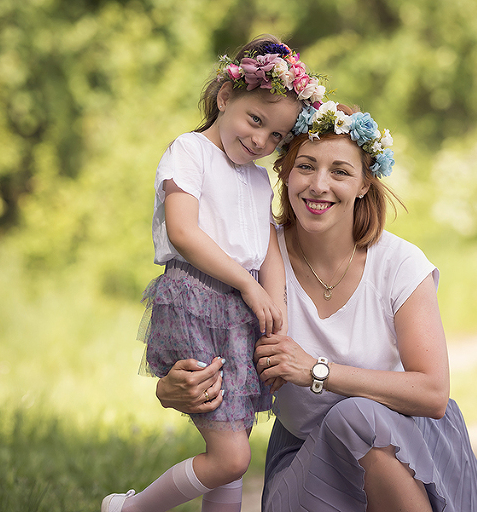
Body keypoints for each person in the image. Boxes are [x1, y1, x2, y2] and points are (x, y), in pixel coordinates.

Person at [155, 101, 477, 511]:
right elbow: (212, 354)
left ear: (363, 184)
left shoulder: (398, 265)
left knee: (357, 417)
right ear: (284, 174)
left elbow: (432, 393)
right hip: (307, 457)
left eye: (340, 171)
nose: (318, 185)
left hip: (411, 451)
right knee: (349, 421)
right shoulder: (255, 267)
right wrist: (171, 390)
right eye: (305, 166)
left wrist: (318, 371)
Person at [101, 36, 326, 512]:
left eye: (277, 138)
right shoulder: (189, 152)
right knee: (230, 456)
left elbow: (267, 249)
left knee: (234, 448)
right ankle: (130, 509)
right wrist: (246, 284)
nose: (261, 141)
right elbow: (184, 232)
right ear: (226, 98)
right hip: (196, 298)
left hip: (241, 312)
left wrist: (274, 302)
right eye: (255, 120)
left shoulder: (258, 177)